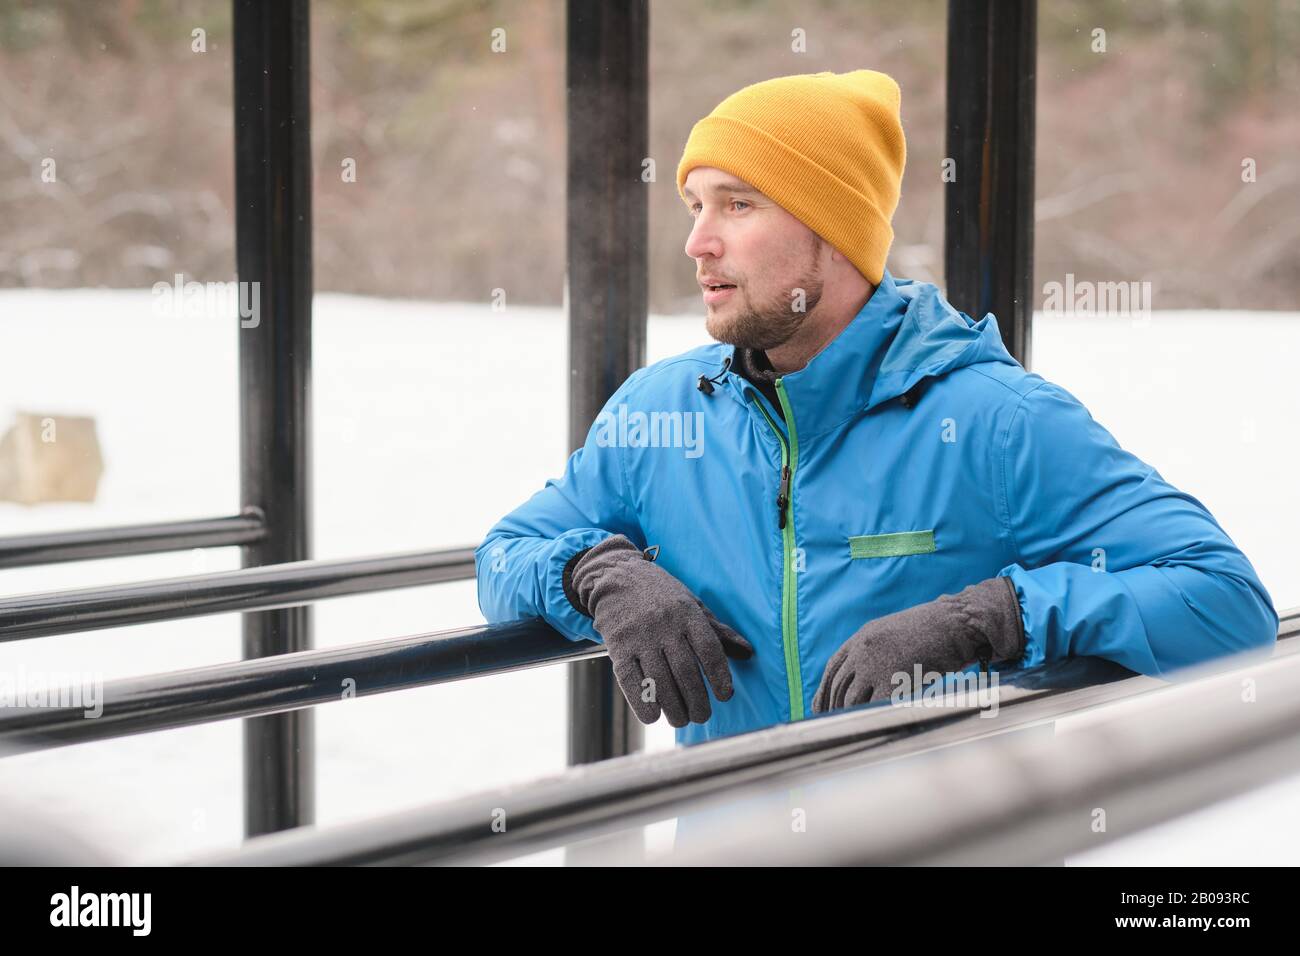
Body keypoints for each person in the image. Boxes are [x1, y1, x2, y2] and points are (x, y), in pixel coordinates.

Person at [475, 69, 1278, 747]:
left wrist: (993, 616)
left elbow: (1225, 603)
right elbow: (505, 554)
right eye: (695, 205)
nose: (698, 242)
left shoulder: (998, 420)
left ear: (833, 231)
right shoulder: (662, 413)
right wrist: (595, 573)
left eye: (738, 204)